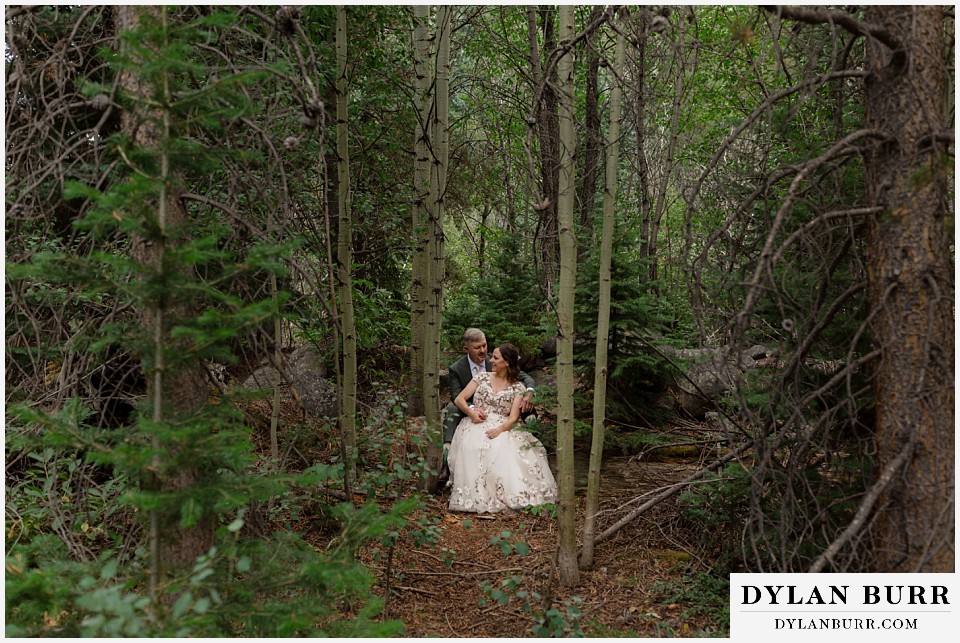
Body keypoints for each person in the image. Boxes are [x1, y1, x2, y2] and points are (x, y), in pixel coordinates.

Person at [447, 343, 557, 513]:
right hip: (476, 423)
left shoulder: (517, 387)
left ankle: (505, 494)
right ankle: (479, 494)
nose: (491, 360)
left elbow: (513, 417)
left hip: (503, 425)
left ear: (506, 362)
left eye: (496, 358)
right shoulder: (482, 378)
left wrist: (499, 430)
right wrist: (471, 412)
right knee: (473, 446)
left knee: (502, 449)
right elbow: (460, 398)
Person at [437, 328, 536, 488]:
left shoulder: (497, 359)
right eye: (477, 348)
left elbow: (524, 378)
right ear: (466, 349)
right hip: (473, 410)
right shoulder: (457, 368)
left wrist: (529, 392)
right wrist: (472, 410)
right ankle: (446, 465)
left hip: (503, 415)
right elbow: (457, 396)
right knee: (453, 410)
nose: (483, 351)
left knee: (510, 436)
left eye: (484, 345)